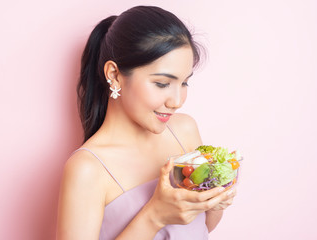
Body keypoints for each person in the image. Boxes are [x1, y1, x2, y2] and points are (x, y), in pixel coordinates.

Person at [56, 5, 237, 240]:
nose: (177, 101)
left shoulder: (184, 131)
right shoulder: (87, 169)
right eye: (162, 83)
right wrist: (154, 216)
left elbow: (200, 229)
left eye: (184, 83)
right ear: (114, 74)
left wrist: (216, 200)